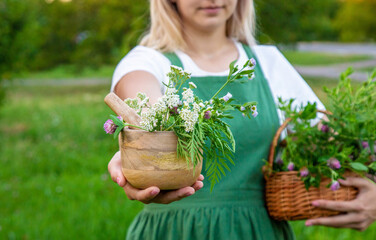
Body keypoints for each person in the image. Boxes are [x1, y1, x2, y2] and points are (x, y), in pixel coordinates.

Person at [107, 0, 376, 239]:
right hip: (177, 230)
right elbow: (145, 106)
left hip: (258, 230)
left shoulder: (268, 62)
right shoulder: (147, 62)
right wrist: (143, 149)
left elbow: (326, 142)